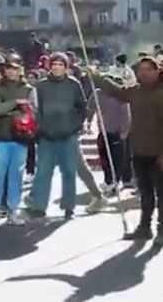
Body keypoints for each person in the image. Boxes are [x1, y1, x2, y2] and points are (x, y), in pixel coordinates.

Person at [87, 58, 163, 244]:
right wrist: (96, 76)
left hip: (159, 153)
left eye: (148, 69)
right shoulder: (136, 92)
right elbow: (116, 91)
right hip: (139, 151)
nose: (143, 73)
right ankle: (144, 227)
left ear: (158, 71)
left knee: (161, 194)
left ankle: (161, 230)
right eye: (140, 69)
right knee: (145, 192)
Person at [28, 53, 87, 220]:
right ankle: (39, 206)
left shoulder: (74, 85)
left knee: (69, 171)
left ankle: (69, 206)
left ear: (66, 66)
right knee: (43, 172)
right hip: (46, 135)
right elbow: (35, 109)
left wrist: (74, 126)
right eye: (54, 64)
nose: (57, 67)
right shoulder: (41, 86)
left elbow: (82, 108)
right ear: (50, 66)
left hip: (68, 135)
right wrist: (41, 128)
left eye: (61, 64)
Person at [0, 60, 37, 225]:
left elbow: (34, 111)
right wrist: (15, 104)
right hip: (1, 137)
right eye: (8, 68)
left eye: (15, 69)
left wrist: (8, 109)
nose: (11, 72)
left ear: (20, 70)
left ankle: (12, 210)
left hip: (21, 138)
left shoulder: (29, 89)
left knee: (16, 175)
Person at [88, 74, 132, 192]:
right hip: (103, 131)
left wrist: (125, 130)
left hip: (118, 132)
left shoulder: (121, 96)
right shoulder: (98, 94)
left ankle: (116, 181)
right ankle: (108, 180)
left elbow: (126, 114)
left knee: (117, 159)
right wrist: (88, 122)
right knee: (104, 158)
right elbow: (91, 108)